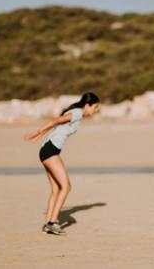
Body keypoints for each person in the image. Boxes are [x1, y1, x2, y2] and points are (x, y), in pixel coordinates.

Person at [24, 92, 100, 235]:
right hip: (51, 150)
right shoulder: (77, 113)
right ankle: (52, 222)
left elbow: (57, 123)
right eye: (95, 107)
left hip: (47, 149)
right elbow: (57, 120)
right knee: (66, 187)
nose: (96, 111)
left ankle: (48, 223)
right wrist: (37, 132)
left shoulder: (75, 111)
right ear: (88, 105)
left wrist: (40, 134)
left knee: (56, 189)